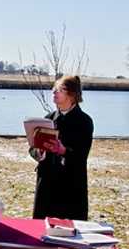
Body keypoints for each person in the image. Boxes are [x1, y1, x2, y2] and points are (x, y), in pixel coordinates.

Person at [30, 75, 94, 220]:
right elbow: (32, 149)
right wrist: (39, 151)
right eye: (54, 89)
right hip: (46, 184)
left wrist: (63, 150)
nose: (54, 93)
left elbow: (81, 155)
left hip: (70, 186)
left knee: (70, 233)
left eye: (59, 90)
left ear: (72, 94)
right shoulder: (48, 118)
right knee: (42, 230)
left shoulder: (84, 121)